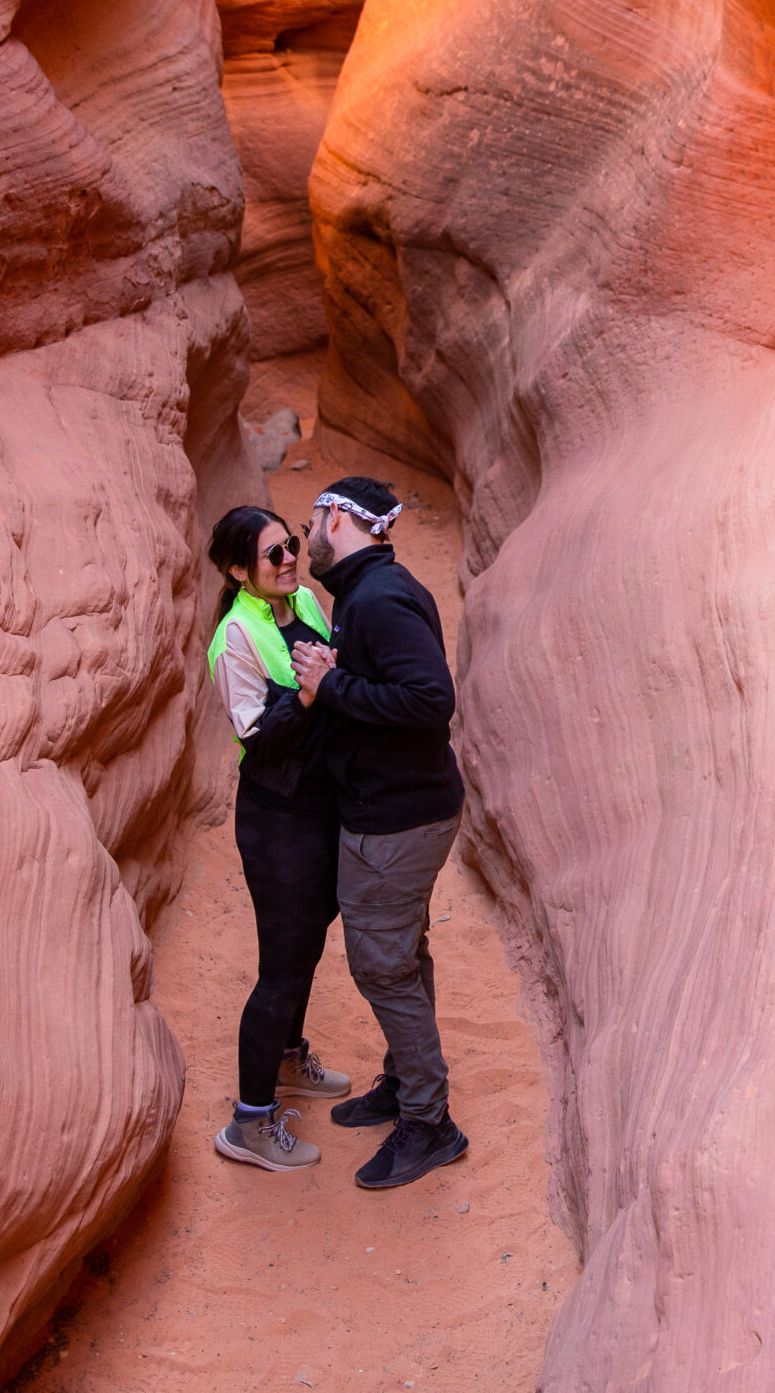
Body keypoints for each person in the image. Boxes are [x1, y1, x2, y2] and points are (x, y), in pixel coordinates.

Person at [292, 475, 471, 1189]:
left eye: (312, 519)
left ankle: (430, 1122)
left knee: (381, 965)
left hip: (396, 821)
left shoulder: (379, 597)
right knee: (402, 954)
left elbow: (432, 698)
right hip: (401, 809)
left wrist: (330, 685)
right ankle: (405, 1082)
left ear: (337, 517)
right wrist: (341, 675)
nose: (307, 535)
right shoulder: (367, 590)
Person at [203, 505, 356, 1175]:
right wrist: (310, 692)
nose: (289, 559)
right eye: (273, 555)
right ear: (239, 570)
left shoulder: (304, 599)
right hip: (278, 817)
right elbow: (259, 739)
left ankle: (289, 1060)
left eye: (290, 545)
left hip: (320, 804)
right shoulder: (236, 636)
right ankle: (250, 1123)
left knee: (310, 939)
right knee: (282, 965)